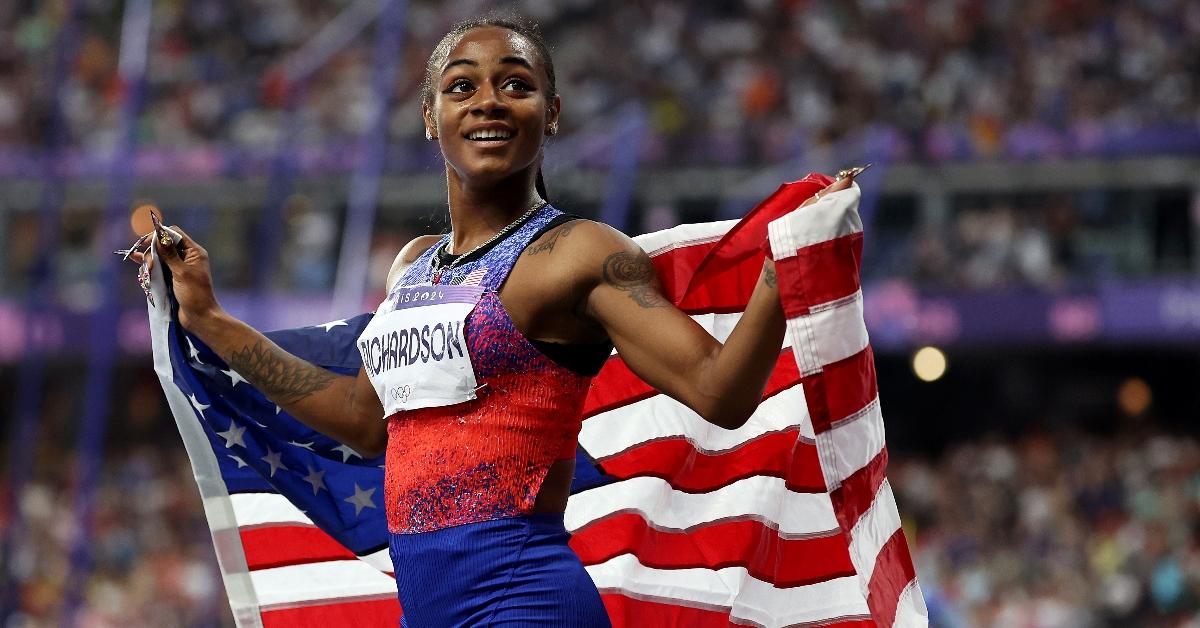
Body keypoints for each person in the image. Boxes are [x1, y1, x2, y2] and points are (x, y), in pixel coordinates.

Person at [134, 15, 856, 628]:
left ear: (552, 111)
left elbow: (718, 390)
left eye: (516, 83)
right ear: (430, 118)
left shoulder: (577, 252)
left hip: (526, 599)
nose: (489, 101)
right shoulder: (412, 266)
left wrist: (780, 269)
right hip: (429, 609)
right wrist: (208, 317)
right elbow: (363, 417)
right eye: (462, 86)